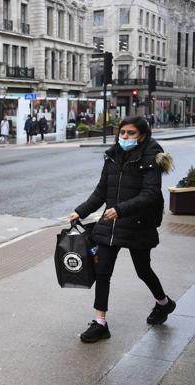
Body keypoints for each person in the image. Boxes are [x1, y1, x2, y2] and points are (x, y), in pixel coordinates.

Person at [68, 115, 175, 343]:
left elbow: (150, 194)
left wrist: (121, 209)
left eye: (131, 133)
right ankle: (100, 323)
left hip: (138, 223)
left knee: (143, 270)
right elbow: (101, 191)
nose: (124, 137)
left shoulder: (151, 157)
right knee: (103, 271)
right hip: (111, 222)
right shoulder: (113, 155)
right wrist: (81, 211)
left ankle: (164, 303)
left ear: (142, 135)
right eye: (122, 132)